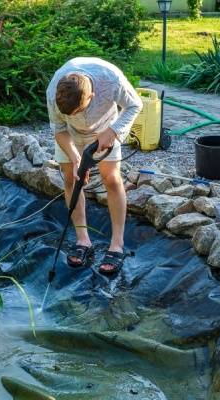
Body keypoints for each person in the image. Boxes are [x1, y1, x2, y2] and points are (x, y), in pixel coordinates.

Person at [46, 57, 143, 275]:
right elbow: (59, 128)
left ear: (92, 96)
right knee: (71, 178)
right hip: (69, 135)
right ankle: (83, 241)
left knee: (111, 178)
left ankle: (116, 245)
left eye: (78, 111)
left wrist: (113, 131)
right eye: (70, 114)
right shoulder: (54, 91)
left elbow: (135, 104)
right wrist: (75, 156)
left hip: (105, 130)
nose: (76, 117)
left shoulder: (111, 79)